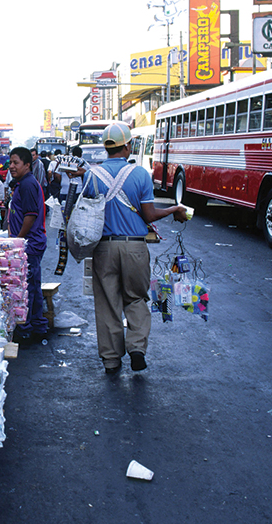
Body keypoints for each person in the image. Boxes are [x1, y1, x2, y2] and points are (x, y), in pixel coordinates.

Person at [82, 122, 188, 374]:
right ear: (127, 146)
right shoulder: (140, 174)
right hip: (135, 248)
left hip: (104, 248)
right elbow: (149, 215)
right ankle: (137, 348)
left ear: (106, 148)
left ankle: (111, 360)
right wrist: (174, 209)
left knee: (108, 303)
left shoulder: (91, 175)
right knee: (136, 298)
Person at [7, 147, 48, 342]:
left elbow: (30, 216)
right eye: (11, 163)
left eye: (16, 163)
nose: (12, 166)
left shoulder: (28, 184)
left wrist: (18, 241)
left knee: (28, 286)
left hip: (29, 244)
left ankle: (31, 327)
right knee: (30, 284)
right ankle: (36, 324)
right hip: (27, 242)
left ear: (27, 165)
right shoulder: (21, 183)